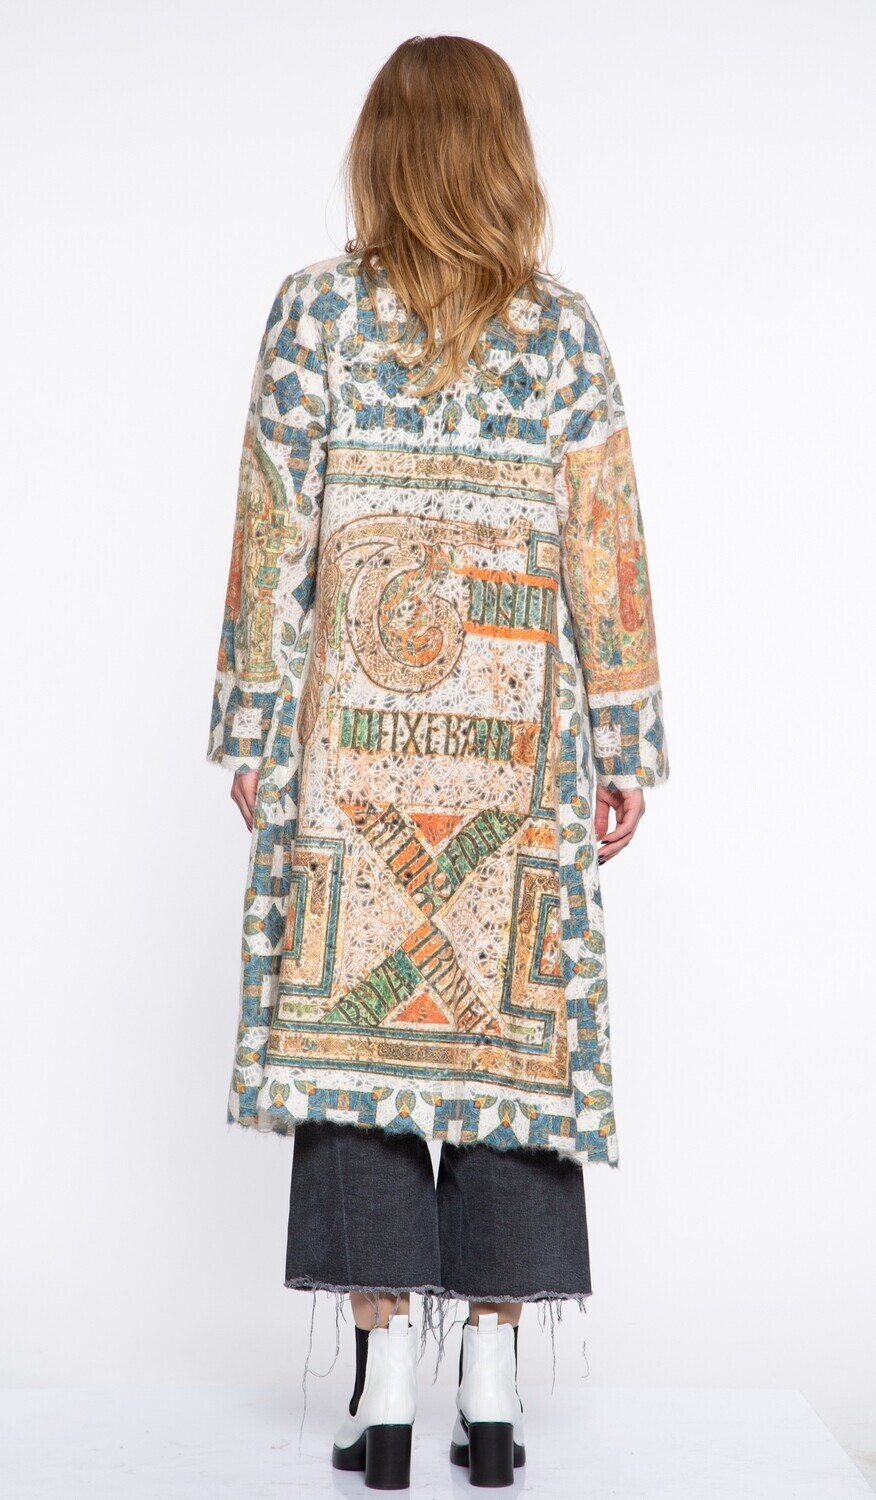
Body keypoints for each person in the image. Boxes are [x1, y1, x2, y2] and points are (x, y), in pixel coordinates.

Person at [206, 32, 669, 1492]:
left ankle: (386, 1377)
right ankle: (491, 1382)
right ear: (506, 155)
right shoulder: (563, 333)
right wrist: (624, 742)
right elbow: (607, 544)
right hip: (516, 765)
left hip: (349, 761)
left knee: (354, 1054)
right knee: (510, 1055)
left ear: (380, 150)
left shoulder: (313, 316)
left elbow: (272, 532)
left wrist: (251, 728)